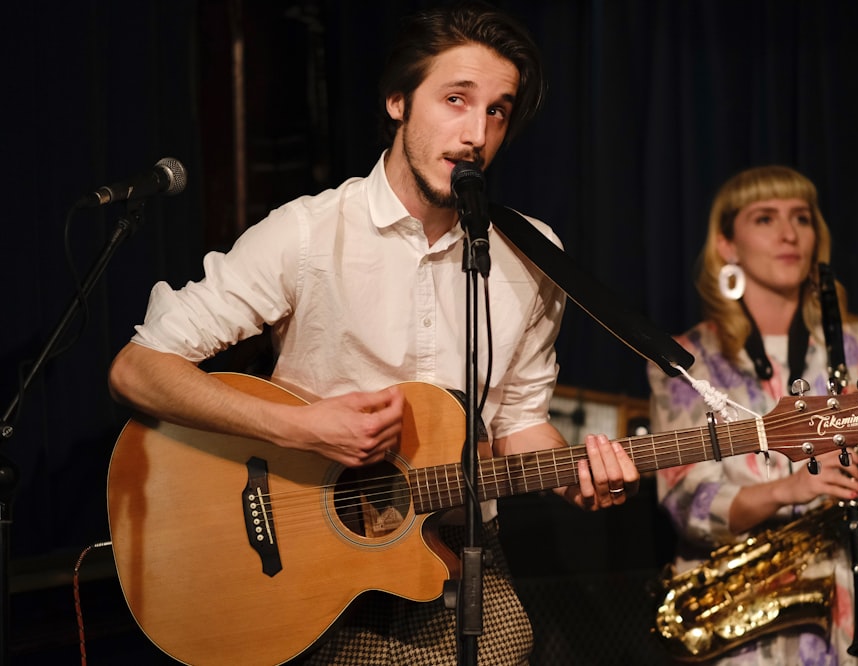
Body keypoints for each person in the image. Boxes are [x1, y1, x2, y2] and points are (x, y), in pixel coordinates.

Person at [108, 2, 640, 664]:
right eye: (455, 99)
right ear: (397, 101)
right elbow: (138, 368)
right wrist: (303, 429)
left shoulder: (534, 256)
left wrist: (575, 477)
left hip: (451, 542)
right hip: (300, 552)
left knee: (507, 645)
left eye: (497, 111)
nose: (475, 132)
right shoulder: (307, 234)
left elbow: (520, 423)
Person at [647, 165, 858, 665]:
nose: (790, 234)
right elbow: (689, 505)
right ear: (726, 244)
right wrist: (789, 489)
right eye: (765, 218)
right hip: (739, 606)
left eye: (802, 218)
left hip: (845, 595)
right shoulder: (685, 359)